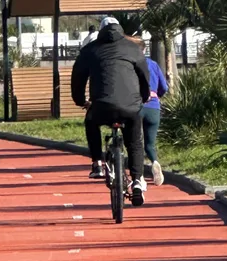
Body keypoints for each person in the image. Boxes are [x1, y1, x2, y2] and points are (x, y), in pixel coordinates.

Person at [71, 16, 151, 206]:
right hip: (131, 106)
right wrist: (144, 97)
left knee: (91, 121)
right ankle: (138, 180)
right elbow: (144, 77)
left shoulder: (90, 50)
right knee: (135, 141)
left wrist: (81, 101)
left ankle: (97, 163)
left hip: (102, 106)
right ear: (120, 29)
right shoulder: (133, 49)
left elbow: (78, 78)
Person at [129, 29, 169, 186]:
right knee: (149, 144)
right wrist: (157, 96)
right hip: (153, 107)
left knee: (135, 142)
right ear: (144, 49)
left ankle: (138, 176)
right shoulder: (153, 64)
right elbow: (164, 86)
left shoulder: (130, 65)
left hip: (136, 106)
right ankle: (155, 161)